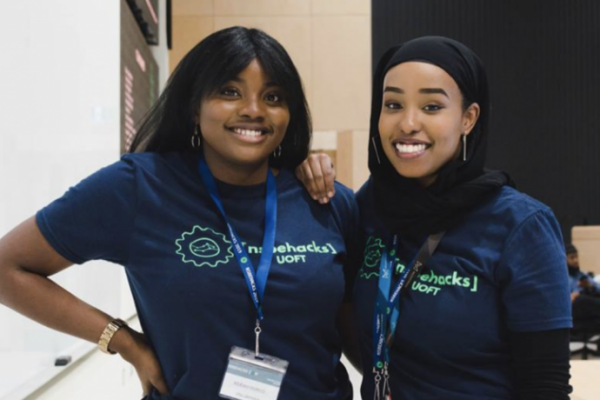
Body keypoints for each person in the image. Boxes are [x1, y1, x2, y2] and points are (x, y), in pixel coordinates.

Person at [0, 27, 359, 400]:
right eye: (230, 91)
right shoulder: (141, 187)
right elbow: (8, 267)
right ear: (194, 106)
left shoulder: (327, 200)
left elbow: (359, 328)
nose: (253, 110)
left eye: (272, 96)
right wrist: (123, 341)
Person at [297, 36, 572, 399]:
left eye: (431, 106)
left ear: (468, 118)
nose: (408, 123)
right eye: (393, 104)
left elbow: (545, 384)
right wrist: (301, 169)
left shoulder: (520, 225)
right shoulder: (366, 209)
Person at [567, 244, 600, 331]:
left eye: (577, 257)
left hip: (588, 305)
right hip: (575, 307)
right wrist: (574, 295)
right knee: (580, 300)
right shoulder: (563, 278)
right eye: (572, 257)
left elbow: (598, 288)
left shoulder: (582, 274)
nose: (576, 260)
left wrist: (590, 286)